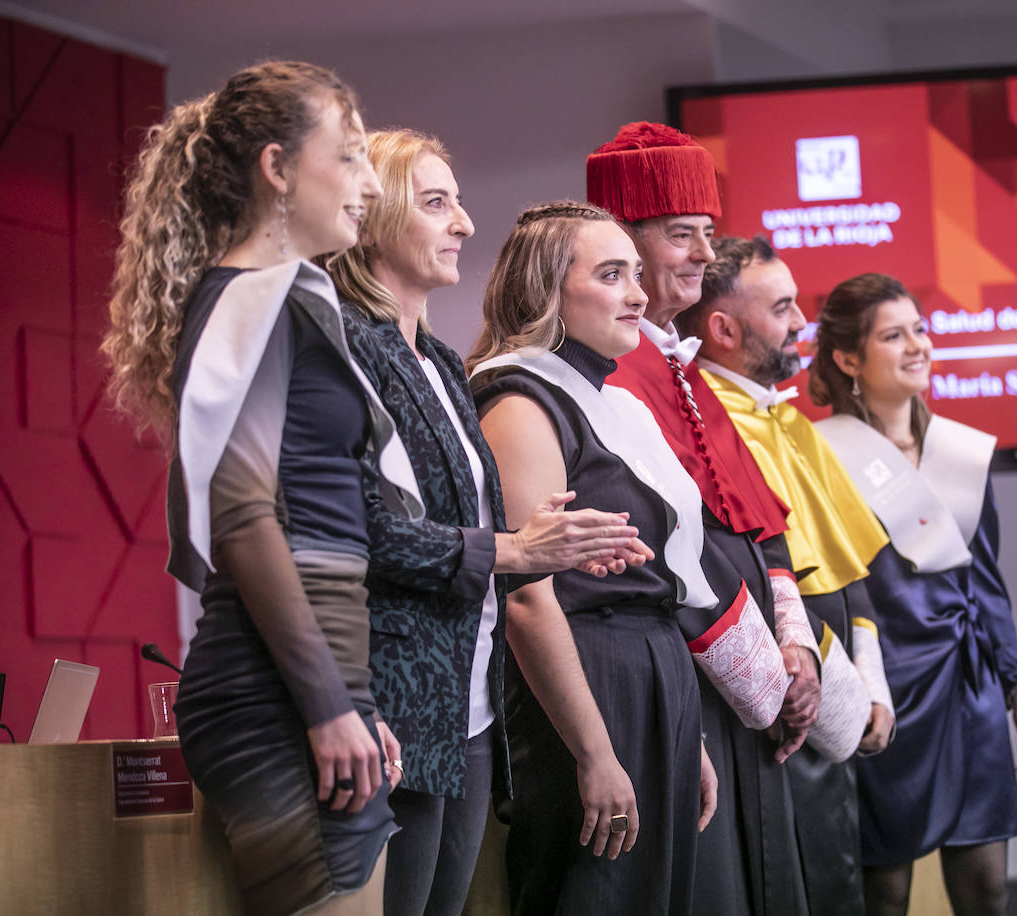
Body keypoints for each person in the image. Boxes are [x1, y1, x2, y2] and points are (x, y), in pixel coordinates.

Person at [102, 61, 418, 914]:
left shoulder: (280, 299)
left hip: (299, 684)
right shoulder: (258, 298)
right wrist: (325, 705)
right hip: (275, 692)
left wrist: (347, 697)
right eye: (348, 157)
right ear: (277, 170)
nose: (366, 182)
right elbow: (241, 516)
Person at [327, 130, 648, 916]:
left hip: (467, 704)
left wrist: (563, 543)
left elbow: (467, 521)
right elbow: (360, 527)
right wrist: (513, 548)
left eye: (458, 201)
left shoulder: (437, 359)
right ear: (370, 219)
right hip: (394, 704)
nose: (465, 223)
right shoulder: (345, 348)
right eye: (436, 203)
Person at [467, 201, 787, 916]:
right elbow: (527, 596)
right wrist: (594, 752)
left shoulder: (616, 402)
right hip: (586, 676)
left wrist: (686, 733)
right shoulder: (518, 398)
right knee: (591, 895)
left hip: (654, 674)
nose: (639, 296)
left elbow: (665, 574)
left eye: (636, 274)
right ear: (547, 288)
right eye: (612, 275)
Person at [587, 121, 823, 916]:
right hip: (693, 686)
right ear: (620, 240)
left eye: (707, 234)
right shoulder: (612, 372)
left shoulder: (679, 366)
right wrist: (767, 682)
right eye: (680, 234)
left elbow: (758, 525)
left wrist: (794, 645)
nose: (701, 255)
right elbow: (666, 553)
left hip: (745, 687)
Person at [808, 272, 1017, 916]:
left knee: (986, 887)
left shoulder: (960, 453)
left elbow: (987, 584)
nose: (917, 345)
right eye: (894, 335)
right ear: (847, 359)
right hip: (886, 689)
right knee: (883, 891)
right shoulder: (819, 454)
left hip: (967, 683)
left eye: (920, 329)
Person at [678, 237, 898, 916]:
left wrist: (871, 681)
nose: (803, 320)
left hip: (830, 684)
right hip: (772, 699)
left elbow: (846, 570)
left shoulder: (791, 421)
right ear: (723, 328)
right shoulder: (702, 425)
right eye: (782, 307)